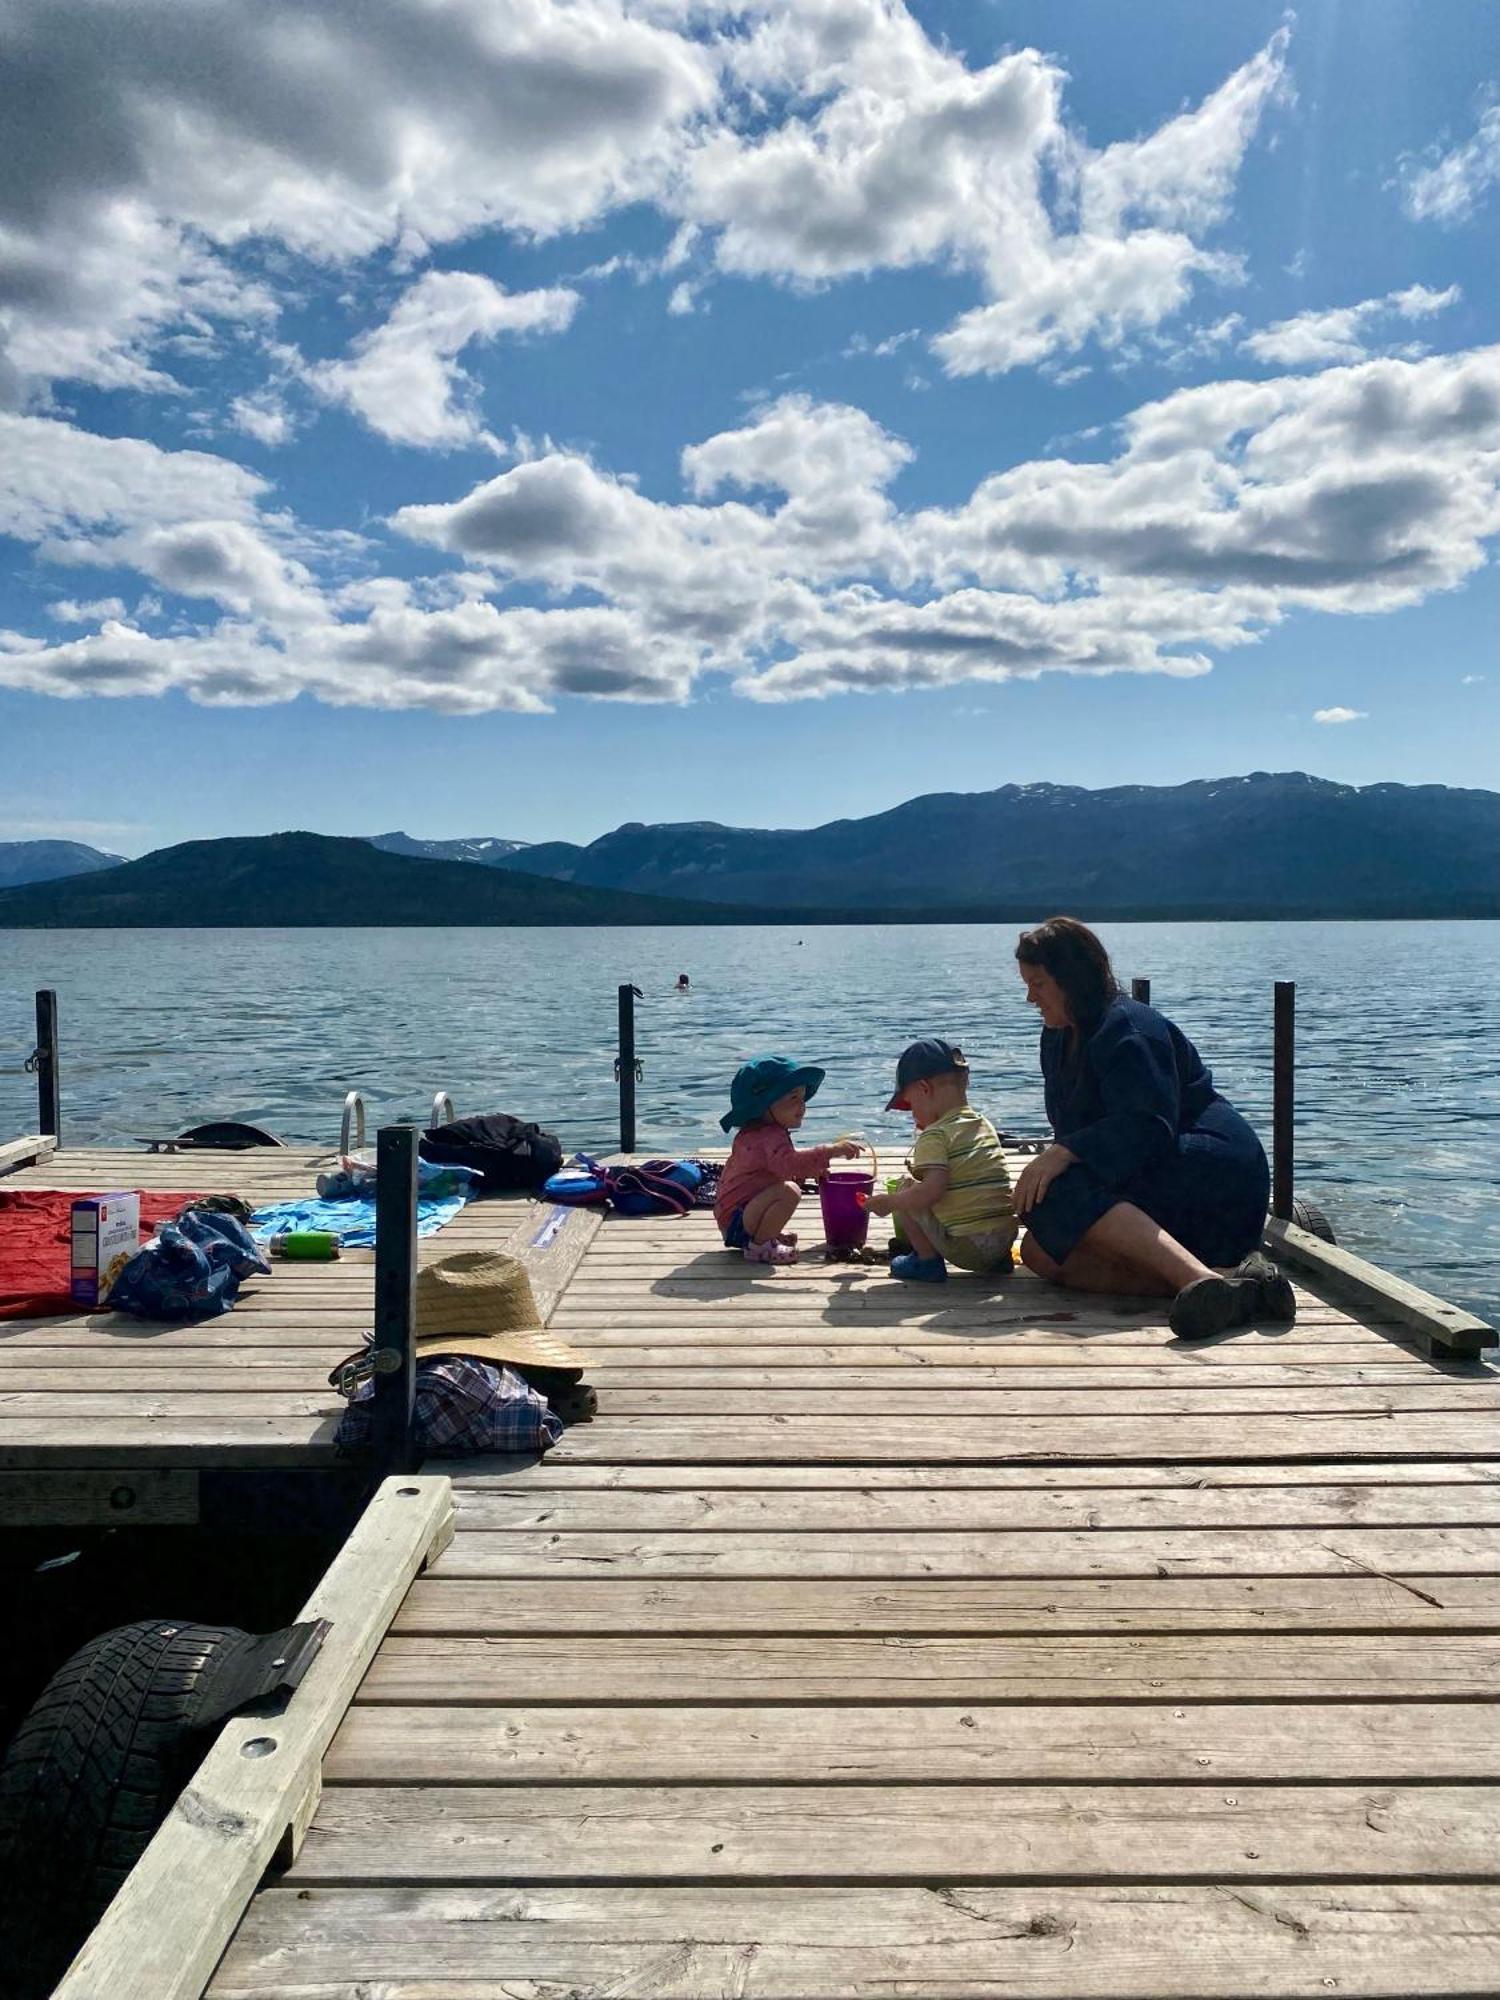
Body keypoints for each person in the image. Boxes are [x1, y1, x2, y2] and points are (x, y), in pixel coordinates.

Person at [1012, 916, 1295, 1338]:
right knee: (1041, 1251)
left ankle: (1197, 1281)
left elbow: (1148, 1126)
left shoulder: (1128, 1028)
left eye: (1038, 984)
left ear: (1071, 979)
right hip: (1157, 1175)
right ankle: (1231, 1285)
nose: (1030, 998)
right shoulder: (1058, 1036)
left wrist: (1063, 1153)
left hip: (1213, 1172)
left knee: (1063, 1193)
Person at [868, 1039, 1016, 1283]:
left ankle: (926, 1262)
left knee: (908, 1189)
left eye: (910, 1105)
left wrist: (890, 1202)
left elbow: (931, 1192)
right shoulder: (984, 1125)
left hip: (969, 1249)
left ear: (924, 1089)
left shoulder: (935, 1134)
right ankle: (997, 1262)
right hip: (1004, 1241)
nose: (913, 1116)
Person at [715, 1056, 860, 1265]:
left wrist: (810, 1170)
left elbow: (779, 1168)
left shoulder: (761, 1132)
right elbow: (789, 1163)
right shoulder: (767, 1137)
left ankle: (763, 1236)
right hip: (738, 1221)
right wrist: (831, 1151)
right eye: (793, 1098)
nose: (802, 1105)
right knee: (789, 1191)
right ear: (765, 1105)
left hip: (735, 1218)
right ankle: (759, 1246)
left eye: (803, 1098)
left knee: (788, 1187)